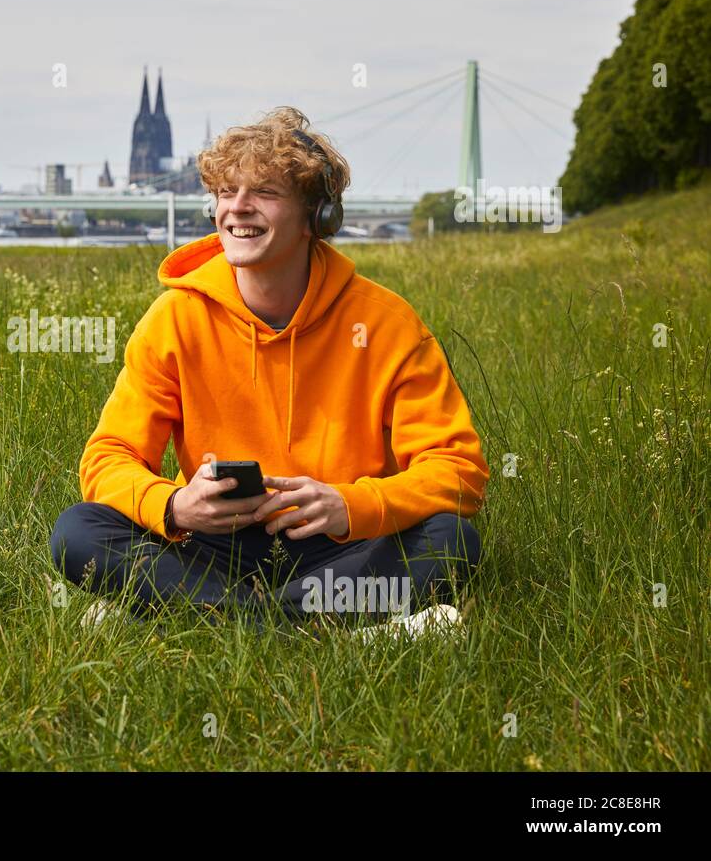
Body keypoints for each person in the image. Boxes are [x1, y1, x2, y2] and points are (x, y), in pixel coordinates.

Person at [49, 106, 489, 634]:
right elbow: (108, 458)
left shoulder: (386, 324)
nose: (237, 209)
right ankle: (314, 626)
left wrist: (352, 504)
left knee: (451, 539)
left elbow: (460, 473)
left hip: (338, 545)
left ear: (316, 217)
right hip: (209, 542)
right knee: (79, 530)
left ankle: (192, 617)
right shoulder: (174, 318)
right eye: (225, 193)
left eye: (264, 193)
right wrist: (174, 507)